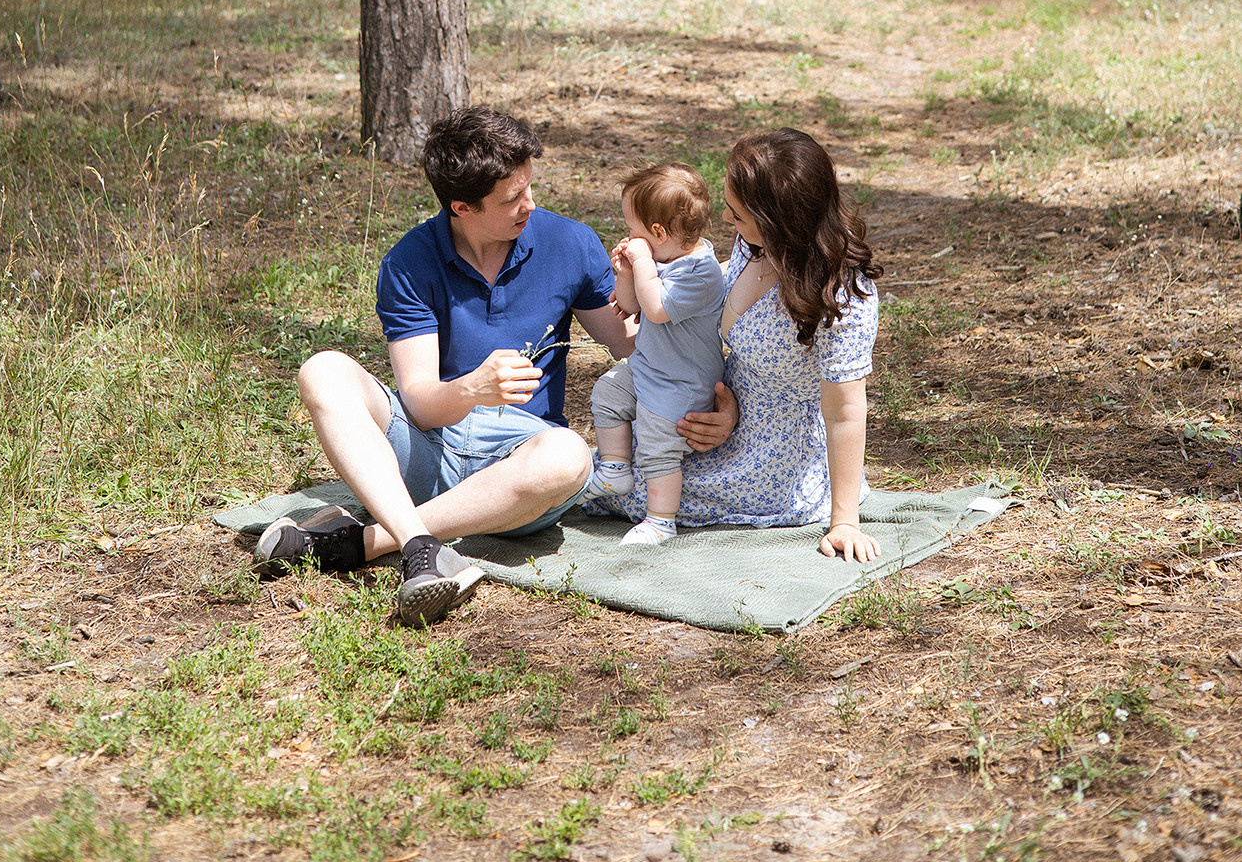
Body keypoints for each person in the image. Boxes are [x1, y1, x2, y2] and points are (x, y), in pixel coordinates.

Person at [253, 108, 647, 625]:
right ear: (461, 207)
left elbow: (628, 346)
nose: (530, 204)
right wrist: (472, 389)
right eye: (512, 198)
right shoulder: (408, 262)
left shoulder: (569, 243)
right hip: (431, 447)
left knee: (569, 454)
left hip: (521, 472)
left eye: (530, 187)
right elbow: (419, 402)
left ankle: (370, 542)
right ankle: (421, 546)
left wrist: (654, 288)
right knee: (322, 369)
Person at [586, 127, 884, 563]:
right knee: (619, 464)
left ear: (780, 221)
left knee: (642, 486)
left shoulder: (841, 297)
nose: (726, 221)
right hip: (711, 408)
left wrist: (845, 521)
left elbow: (845, 412)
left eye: (739, 215)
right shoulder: (754, 246)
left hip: (774, 454)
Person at [588, 164, 726, 547]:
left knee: (657, 446)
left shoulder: (700, 272)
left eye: (633, 229)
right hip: (648, 366)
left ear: (659, 233)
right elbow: (631, 305)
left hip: (680, 383)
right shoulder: (663, 259)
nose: (629, 236)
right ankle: (615, 468)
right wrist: (625, 273)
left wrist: (643, 263)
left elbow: (657, 308)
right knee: (607, 392)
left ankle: (661, 521)